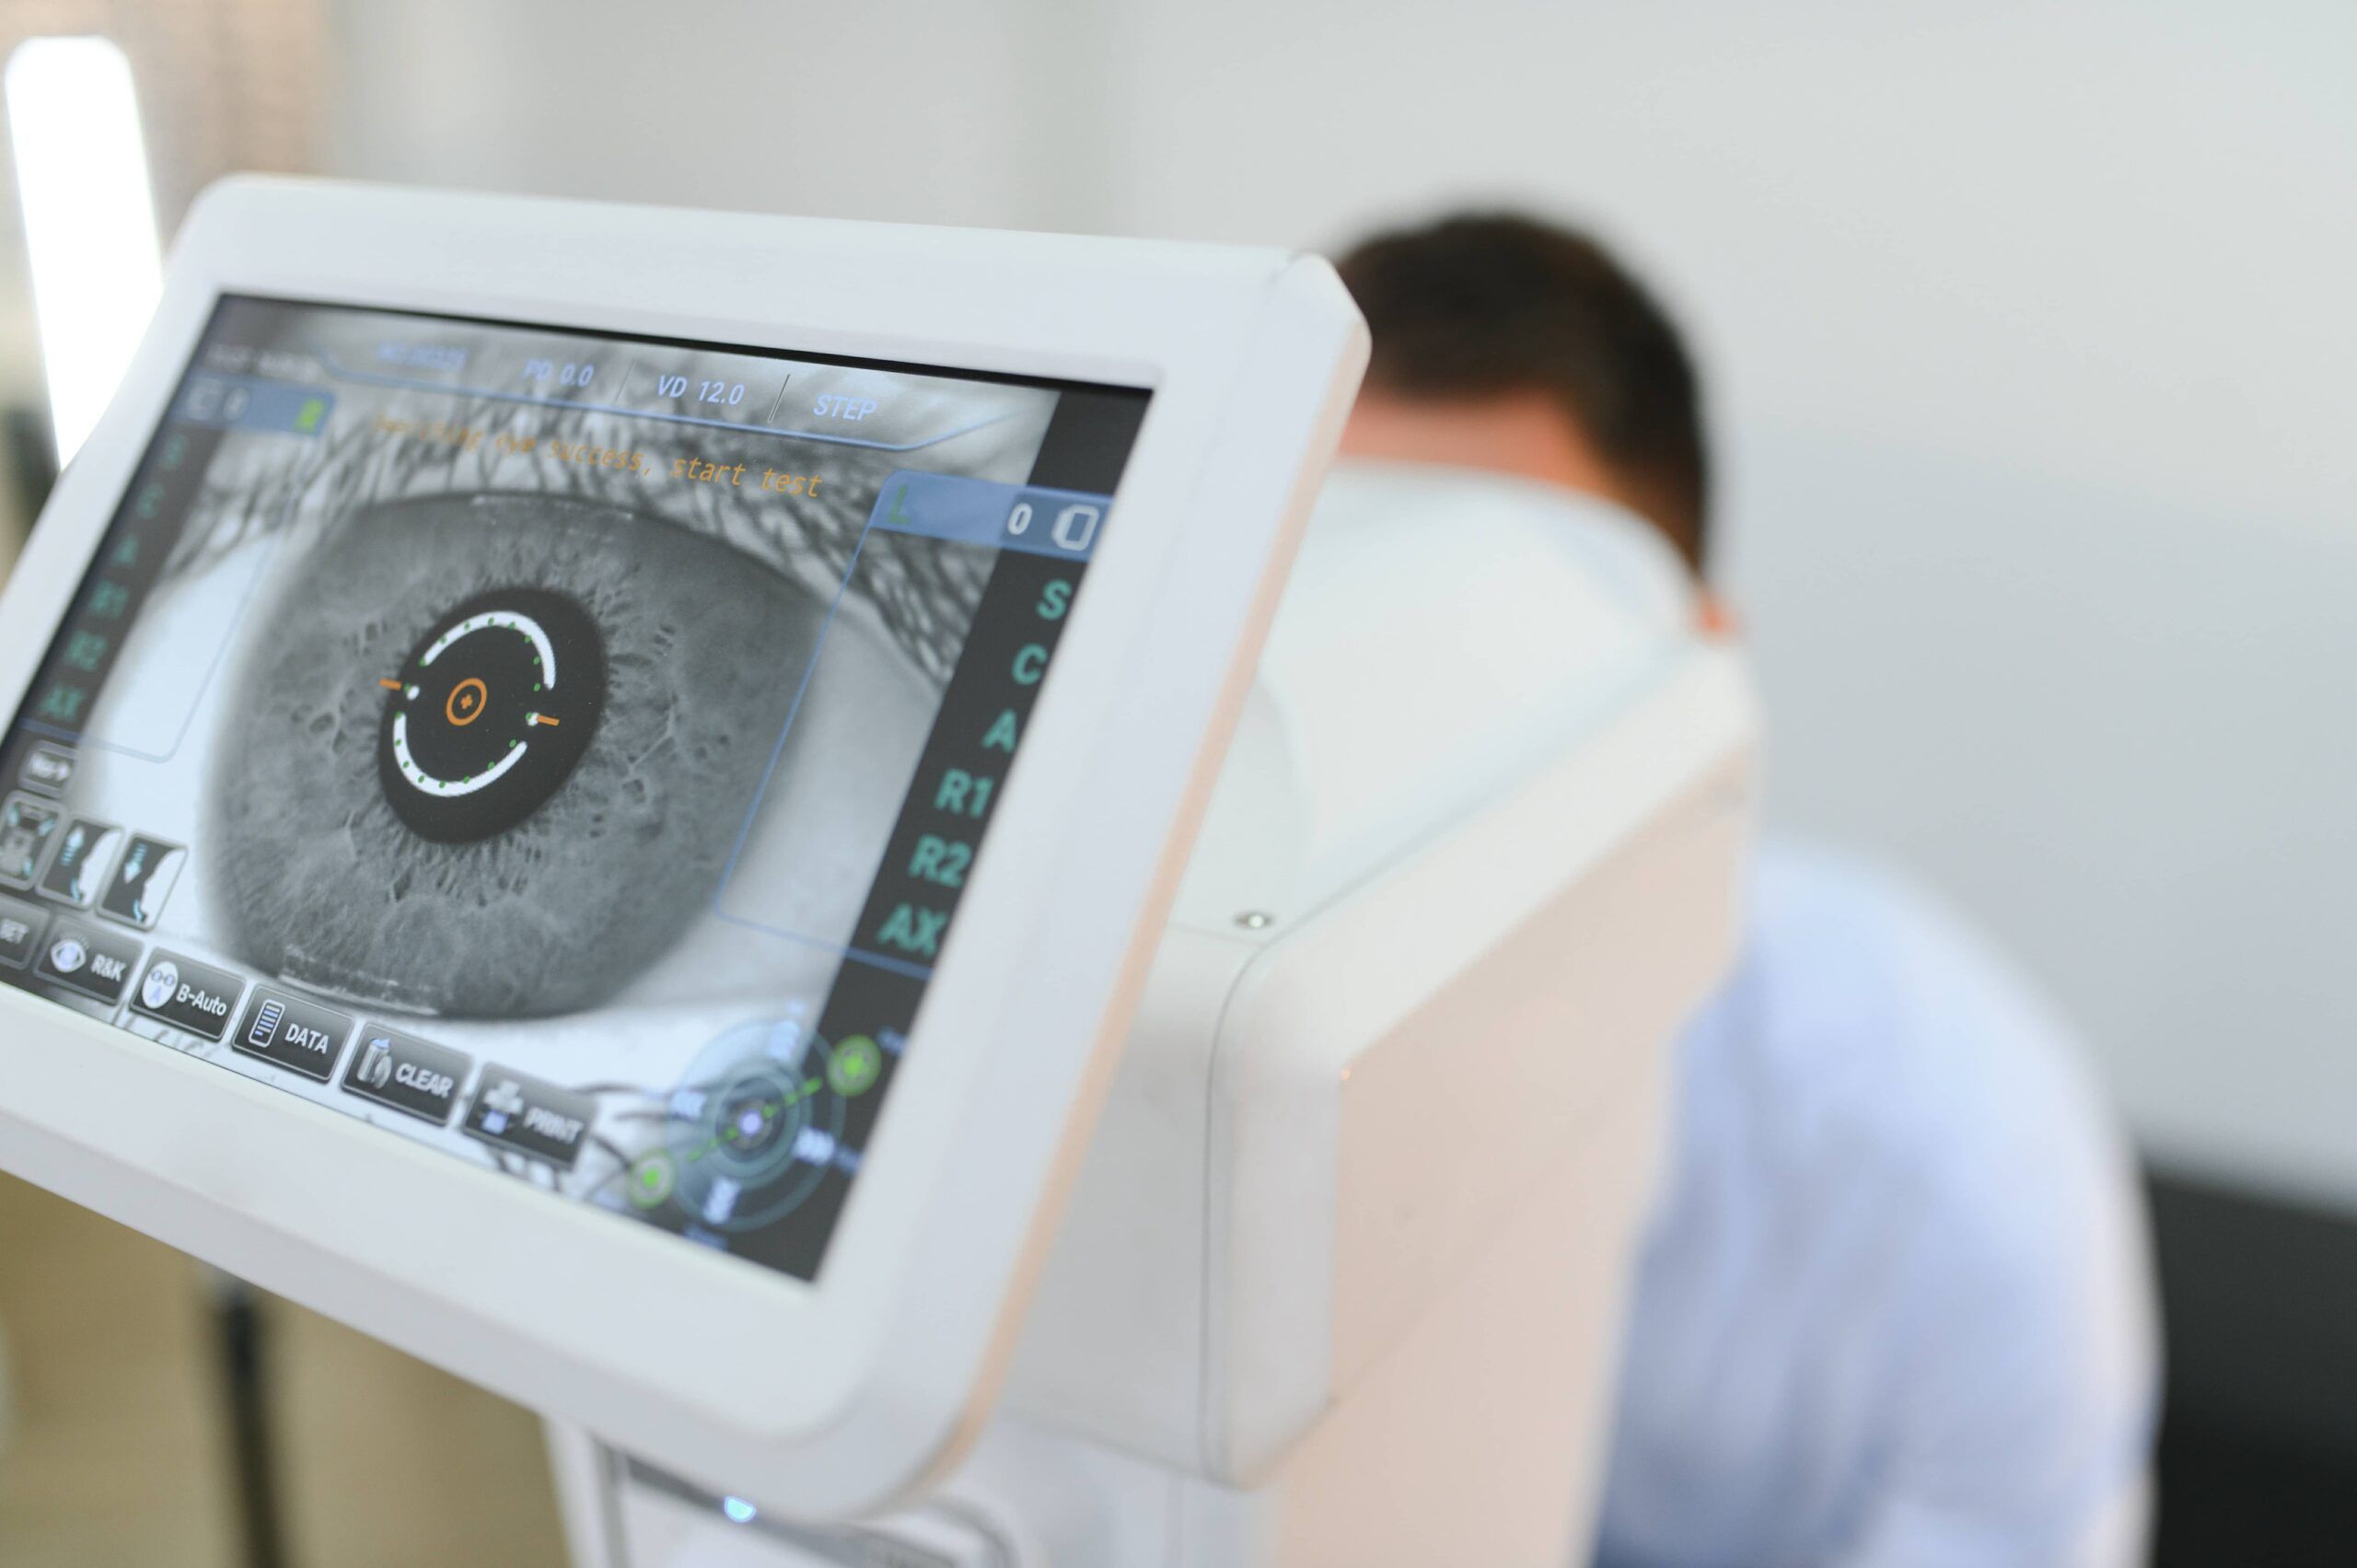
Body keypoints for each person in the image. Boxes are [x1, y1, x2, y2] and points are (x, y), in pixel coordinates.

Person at [1333, 214, 2160, 1567]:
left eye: (1499, 653)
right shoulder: (1084, 1109)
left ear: (1696, 701)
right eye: (1327, 635)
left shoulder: (1952, 1155)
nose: (1400, 761)